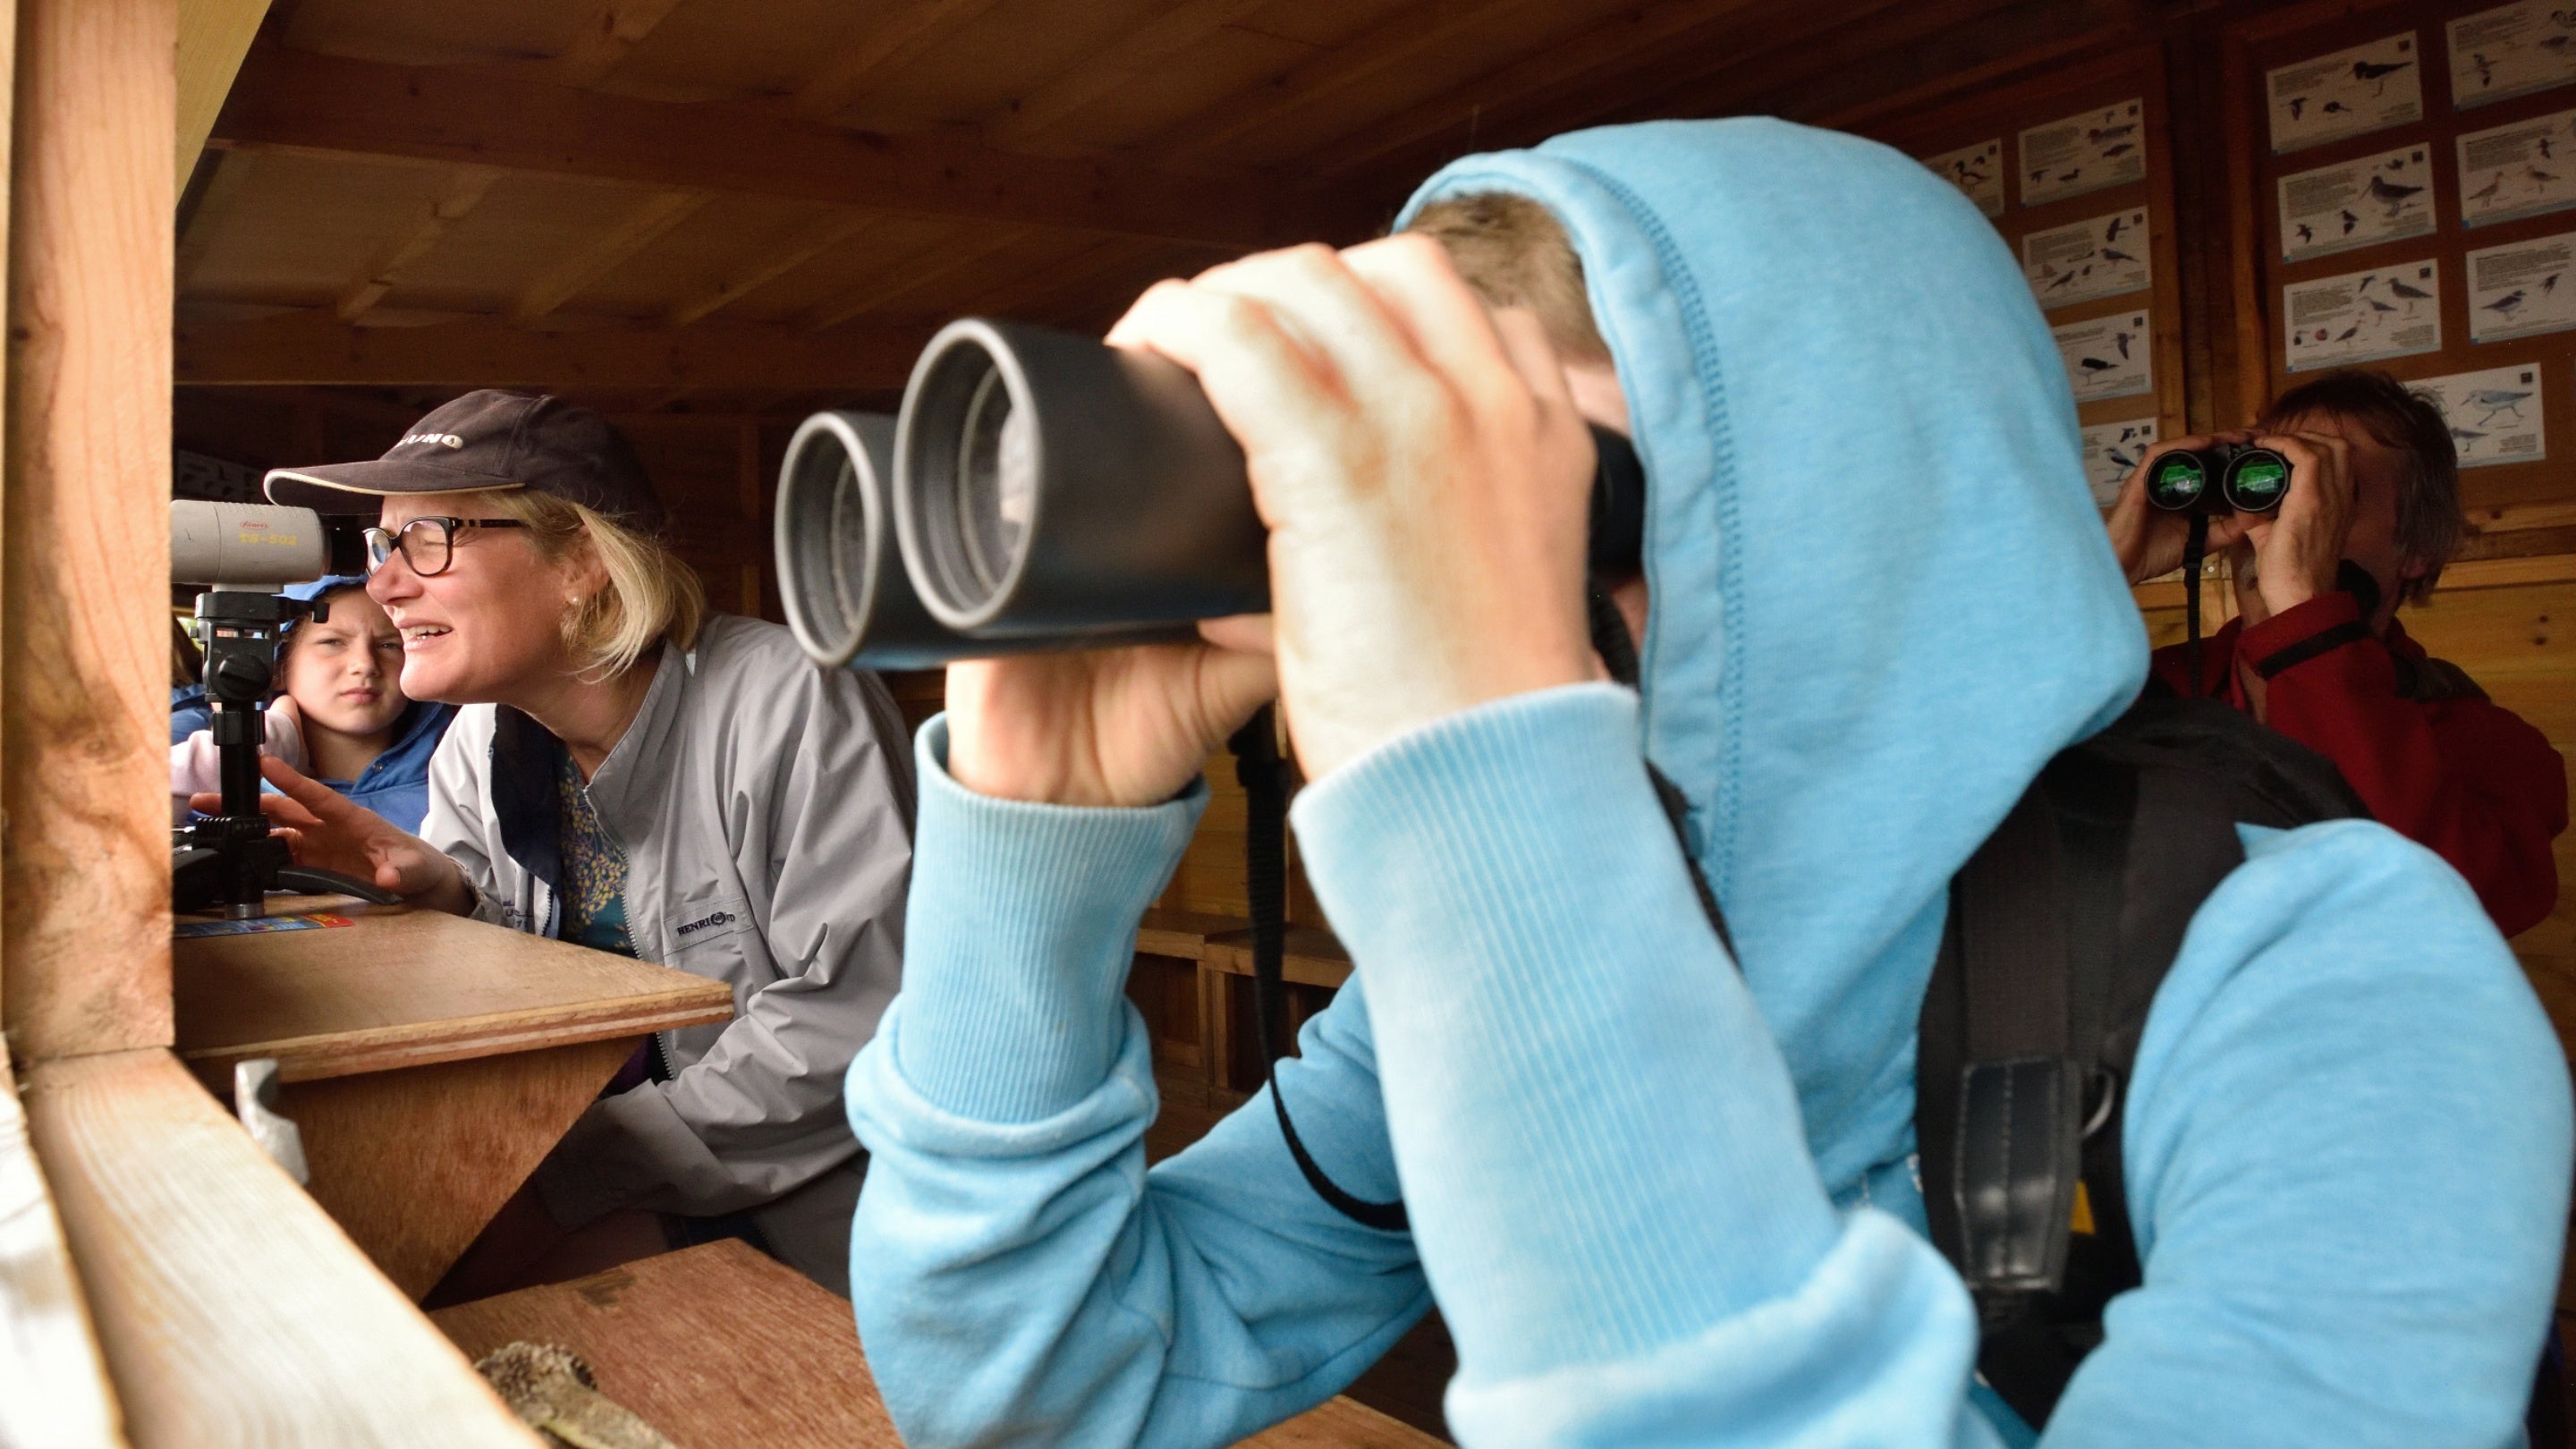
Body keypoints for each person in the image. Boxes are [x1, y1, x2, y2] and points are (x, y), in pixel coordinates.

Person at [840, 121, 2572, 1445]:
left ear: (1863, 522)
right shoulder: (1560, 943)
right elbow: (1048, 1391)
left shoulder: (2334, 986)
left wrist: (1492, 815)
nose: (1487, 598)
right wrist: (1033, 855)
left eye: (1559, 509)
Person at [235, 391, 913, 1296]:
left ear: (583, 560)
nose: (388, 583)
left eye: (428, 539)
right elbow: (504, 989)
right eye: (382, 545)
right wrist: (442, 894)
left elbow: (854, 1027)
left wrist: (563, 1181)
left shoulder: (789, 701)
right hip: (602, 1168)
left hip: (828, 1215)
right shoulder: (478, 742)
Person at [2107, 369, 2568, 936]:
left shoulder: (2490, 747)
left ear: (2417, 547)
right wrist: (2101, 572)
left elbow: (2425, 911)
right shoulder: (2133, 696)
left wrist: (2306, 618)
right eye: (2269, 485)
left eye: (2326, 494)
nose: (2278, 524)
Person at [171, 574, 456, 832]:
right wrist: (265, 739)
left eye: (389, 645)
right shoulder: (221, 796)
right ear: (280, 668)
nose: (365, 665)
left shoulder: (461, 782)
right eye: (333, 642)